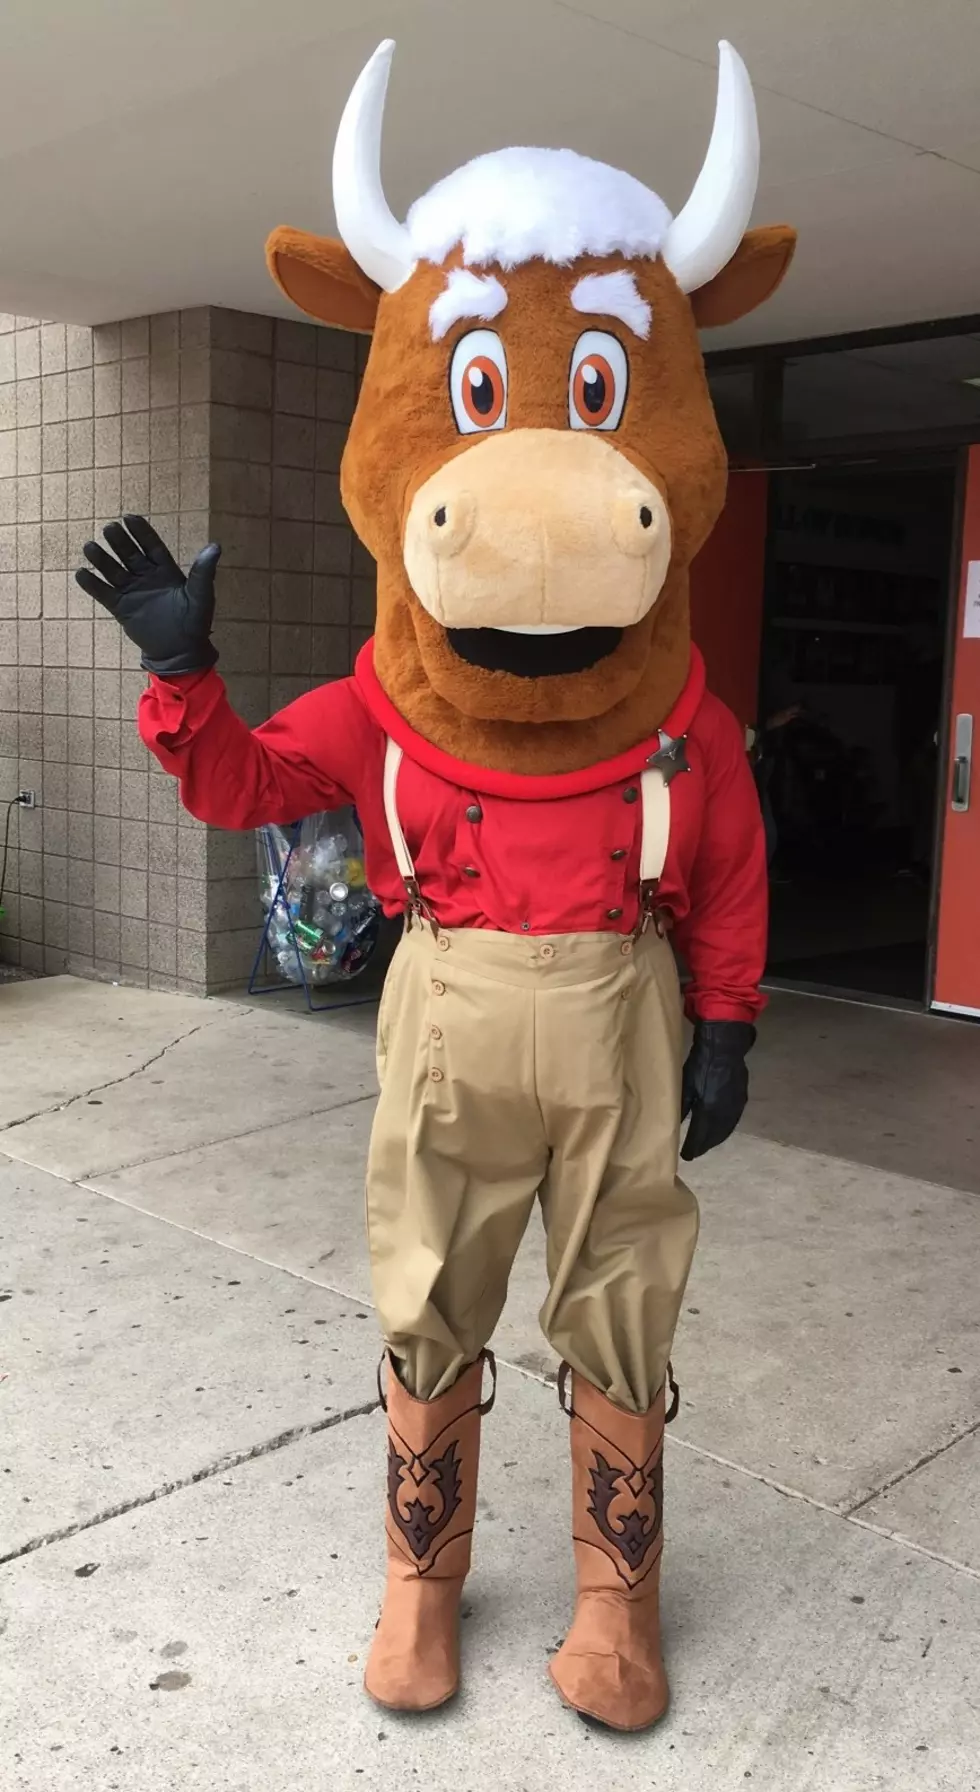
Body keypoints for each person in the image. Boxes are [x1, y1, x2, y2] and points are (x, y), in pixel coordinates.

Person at [76, 38, 795, 1734]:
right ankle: (424, 1582)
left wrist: (732, 1027)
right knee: (430, 1286)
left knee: (624, 1289)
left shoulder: (686, 728)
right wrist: (189, 678)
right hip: (447, 1006)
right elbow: (252, 786)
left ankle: (616, 1608)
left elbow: (732, 870)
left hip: (621, 1004)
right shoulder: (378, 707)